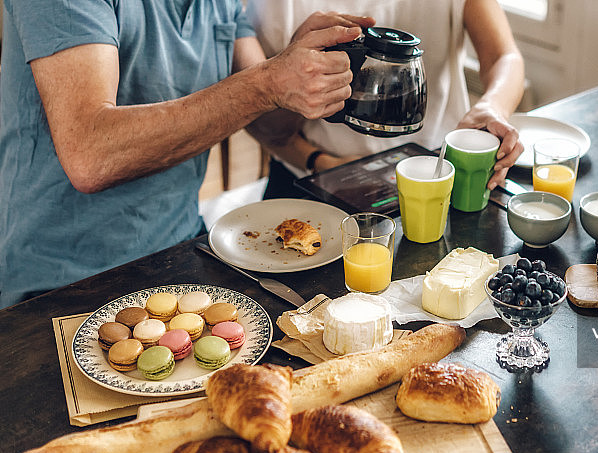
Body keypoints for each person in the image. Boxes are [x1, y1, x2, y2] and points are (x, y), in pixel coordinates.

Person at [0, 1, 374, 308]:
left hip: (179, 248)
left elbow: (272, 127)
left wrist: (295, 65)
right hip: (61, 281)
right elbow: (91, 156)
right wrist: (268, 82)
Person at [248, 0, 525, 199]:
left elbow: (503, 56)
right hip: (314, 177)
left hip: (437, 167)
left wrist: (492, 107)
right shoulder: (272, 7)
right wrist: (318, 162)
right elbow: (259, 116)